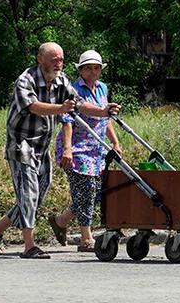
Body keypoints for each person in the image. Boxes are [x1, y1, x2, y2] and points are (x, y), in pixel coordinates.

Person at [0, 42, 119, 258]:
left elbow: (79, 103)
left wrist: (103, 112)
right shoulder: (25, 80)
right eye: (54, 59)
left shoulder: (61, 80)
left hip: (41, 145)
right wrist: (60, 109)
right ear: (40, 59)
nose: (58, 64)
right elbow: (32, 106)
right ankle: (29, 246)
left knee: (38, 193)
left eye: (61, 59)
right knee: (29, 192)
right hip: (21, 144)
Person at [48, 50, 121, 252]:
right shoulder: (73, 89)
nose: (92, 71)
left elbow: (105, 119)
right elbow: (69, 120)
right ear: (80, 70)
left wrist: (115, 142)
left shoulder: (102, 88)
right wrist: (68, 150)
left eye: (96, 67)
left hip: (96, 149)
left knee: (98, 192)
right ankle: (86, 238)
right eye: (88, 68)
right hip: (76, 148)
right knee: (86, 190)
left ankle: (61, 221)